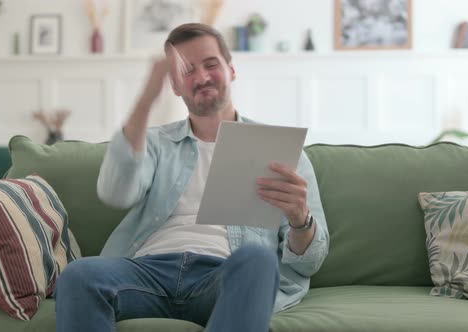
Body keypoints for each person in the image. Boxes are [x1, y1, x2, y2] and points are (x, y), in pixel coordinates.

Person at [54, 23, 329, 332]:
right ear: (174, 85)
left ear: (231, 70)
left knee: (258, 259)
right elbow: (116, 192)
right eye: (187, 71)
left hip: (224, 276)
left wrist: (299, 218)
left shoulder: (281, 152)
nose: (201, 78)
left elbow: (310, 262)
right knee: (79, 274)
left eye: (211, 65)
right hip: (147, 272)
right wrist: (146, 100)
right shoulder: (155, 143)